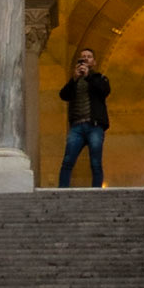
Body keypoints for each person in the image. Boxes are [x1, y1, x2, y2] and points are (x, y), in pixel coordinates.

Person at [57, 47, 110, 188]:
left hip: (94, 126)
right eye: (83, 56)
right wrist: (74, 79)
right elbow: (63, 95)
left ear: (94, 62)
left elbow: (104, 91)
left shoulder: (99, 78)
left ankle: (96, 191)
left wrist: (88, 77)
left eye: (89, 56)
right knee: (67, 161)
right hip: (77, 127)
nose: (86, 58)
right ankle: (62, 190)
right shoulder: (75, 80)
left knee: (95, 162)